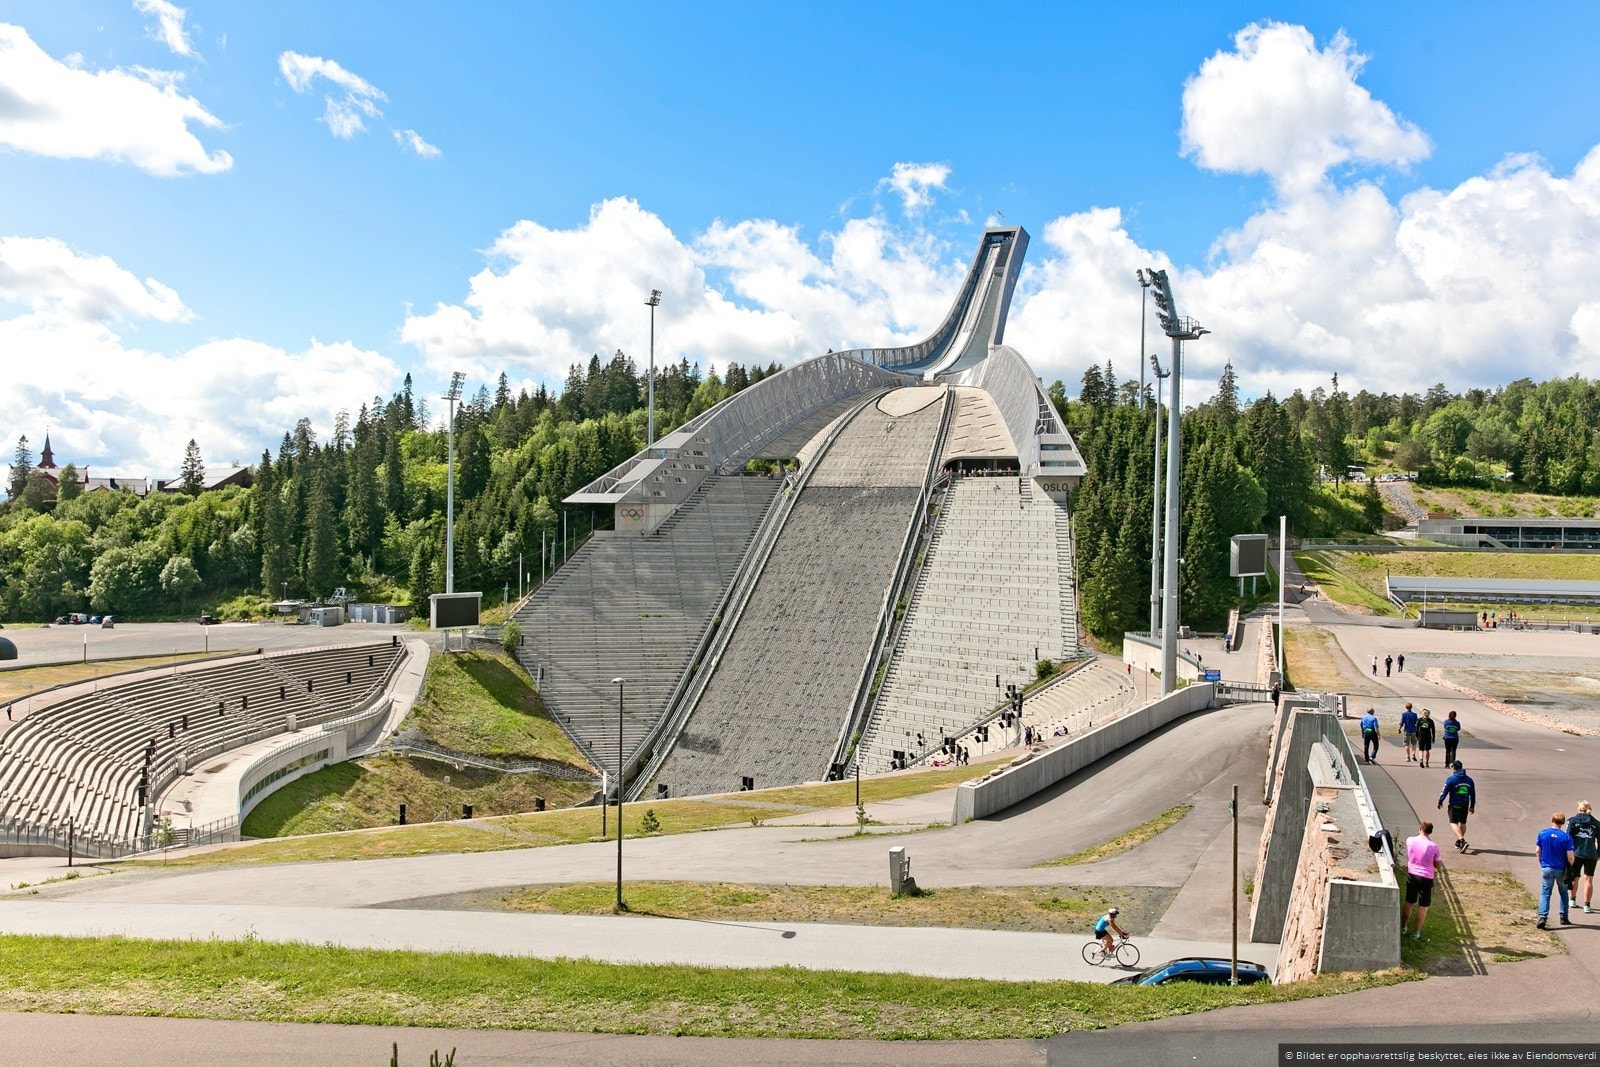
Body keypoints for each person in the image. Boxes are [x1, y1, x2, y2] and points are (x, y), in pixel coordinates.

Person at [1403, 821, 1443, 940]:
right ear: (1430, 832)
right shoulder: (1433, 847)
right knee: (1423, 906)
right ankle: (1416, 933)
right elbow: (1438, 865)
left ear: (1420, 828)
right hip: (1426, 877)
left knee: (1409, 901)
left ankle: (1403, 927)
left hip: (1412, 874)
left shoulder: (1410, 840)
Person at [1536, 812, 1576, 929]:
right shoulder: (1566, 837)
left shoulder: (1543, 834)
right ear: (1563, 823)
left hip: (1546, 867)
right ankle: (1563, 916)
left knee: (1545, 893)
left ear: (1552, 820)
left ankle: (1543, 916)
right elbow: (1570, 856)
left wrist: (1542, 863)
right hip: (1561, 869)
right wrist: (1571, 866)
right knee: (1563, 893)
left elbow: (1538, 851)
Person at [1567, 800, 1599, 915]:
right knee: (1589, 879)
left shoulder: (1573, 821)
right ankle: (1587, 905)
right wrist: (1598, 853)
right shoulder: (1596, 823)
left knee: (1574, 877)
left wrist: (1567, 853)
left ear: (1579, 809)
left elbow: (1568, 838)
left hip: (1576, 853)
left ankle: (1572, 899)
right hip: (1591, 854)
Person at [1438, 760, 1476, 852]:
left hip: (1454, 804)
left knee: (1453, 823)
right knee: (1463, 823)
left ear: (1453, 768)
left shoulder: (1451, 779)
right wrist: (1472, 806)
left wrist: (1440, 801)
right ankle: (1459, 842)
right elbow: (1473, 794)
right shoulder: (1469, 780)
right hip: (1465, 804)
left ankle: (1462, 841)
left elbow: (1445, 790)